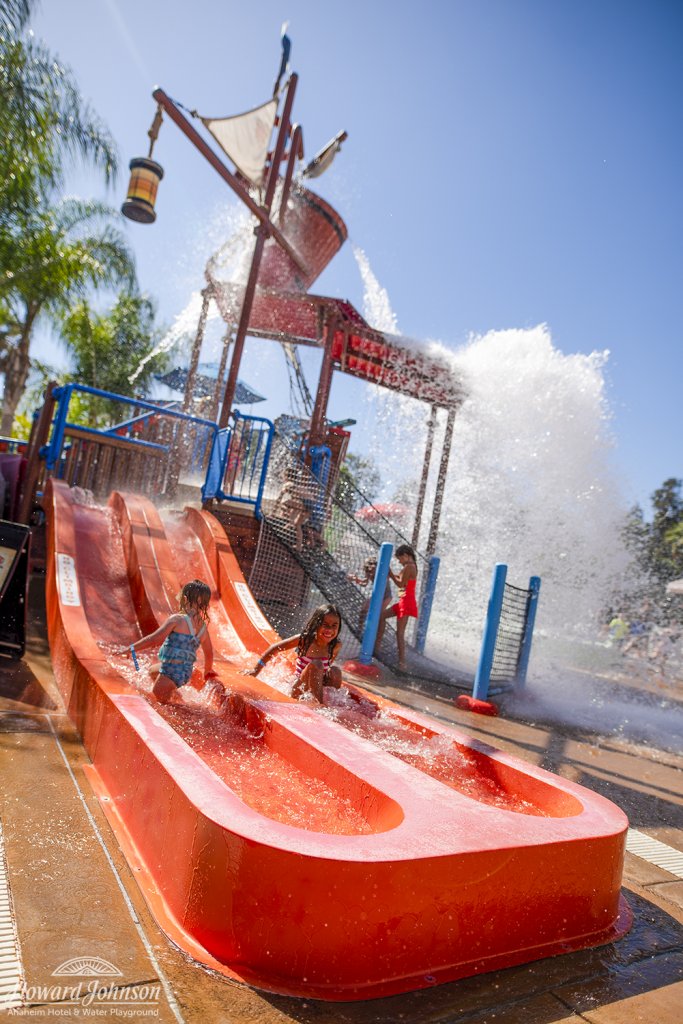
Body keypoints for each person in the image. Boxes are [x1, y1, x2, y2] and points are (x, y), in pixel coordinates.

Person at [128, 579, 220, 704]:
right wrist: (208, 670)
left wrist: (133, 648)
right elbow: (209, 652)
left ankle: (178, 705)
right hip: (185, 672)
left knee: (158, 697)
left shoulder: (177, 619)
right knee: (152, 671)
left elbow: (155, 639)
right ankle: (174, 694)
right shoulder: (203, 628)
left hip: (171, 671)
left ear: (185, 599)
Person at [375, 544, 418, 671]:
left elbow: (400, 584)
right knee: (381, 616)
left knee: (399, 633)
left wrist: (391, 574)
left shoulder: (410, 566)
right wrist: (392, 574)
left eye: (400, 559)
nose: (399, 561)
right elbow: (401, 580)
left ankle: (402, 662)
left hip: (407, 603)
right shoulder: (407, 566)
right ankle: (377, 645)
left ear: (406, 555)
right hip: (403, 601)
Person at [348, 556, 392, 633]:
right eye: (369, 570)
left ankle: (375, 633)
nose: (371, 572)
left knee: (378, 615)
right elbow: (364, 583)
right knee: (364, 609)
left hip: (386, 596)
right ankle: (360, 628)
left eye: (372, 570)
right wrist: (356, 579)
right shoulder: (369, 572)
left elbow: (387, 577)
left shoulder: (381, 571)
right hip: (377, 595)